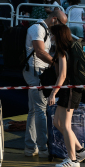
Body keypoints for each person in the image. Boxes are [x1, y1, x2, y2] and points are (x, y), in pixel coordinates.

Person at [23, 10, 68, 157]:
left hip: (38, 71)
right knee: (41, 109)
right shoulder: (37, 29)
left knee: (33, 110)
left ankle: (30, 147)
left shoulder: (46, 30)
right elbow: (40, 52)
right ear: (54, 19)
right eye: (61, 24)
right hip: (35, 72)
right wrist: (56, 63)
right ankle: (43, 148)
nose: (61, 28)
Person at [47, 24, 85, 167]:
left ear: (58, 35)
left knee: (65, 125)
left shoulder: (62, 51)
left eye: (52, 34)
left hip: (69, 91)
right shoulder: (71, 49)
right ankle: (81, 151)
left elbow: (63, 75)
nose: (51, 37)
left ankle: (72, 160)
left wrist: (53, 93)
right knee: (57, 123)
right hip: (71, 90)